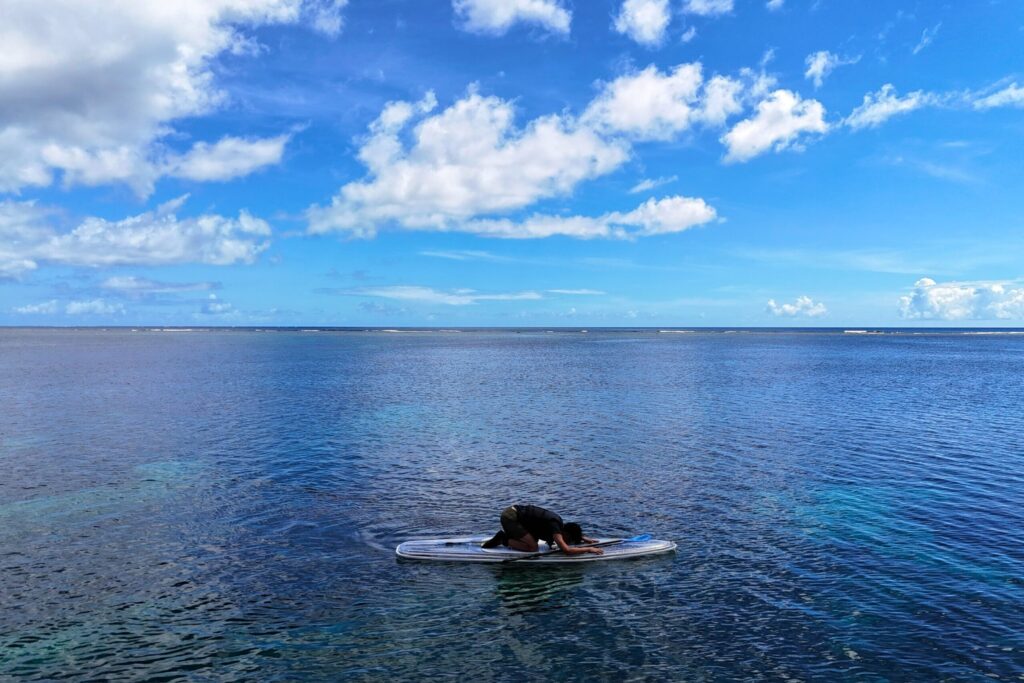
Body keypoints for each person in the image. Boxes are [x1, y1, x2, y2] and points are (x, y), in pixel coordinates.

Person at [481, 504, 603, 555]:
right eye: (569, 539)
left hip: (518, 517)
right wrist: (590, 549)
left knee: (532, 541)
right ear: (565, 533)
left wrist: (582, 537)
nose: (567, 542)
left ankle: (512, 538)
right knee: (533, 547)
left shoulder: (560, 526)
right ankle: (504, 539)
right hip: (510, 517)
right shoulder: (556, 528)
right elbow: (566, 551)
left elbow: (570, 531)